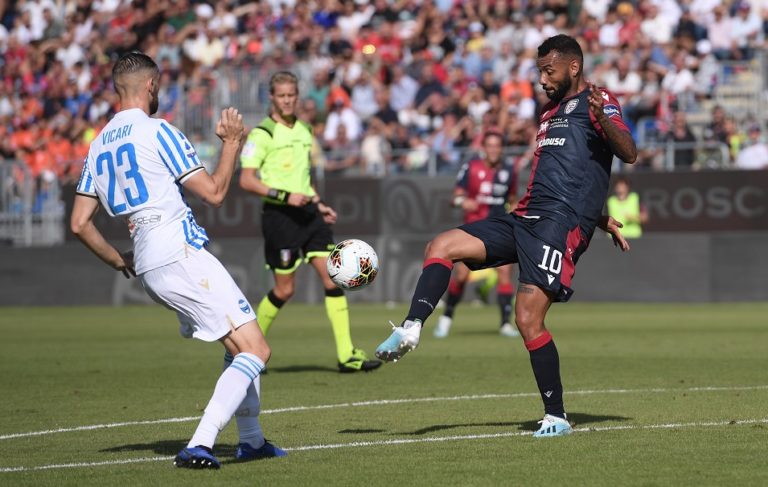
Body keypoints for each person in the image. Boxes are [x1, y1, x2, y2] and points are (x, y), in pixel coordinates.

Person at [374, 34, 636, 437]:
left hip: (558, 224)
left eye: (549, 71)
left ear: (573, 67)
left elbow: (629, 151)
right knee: (441, 246)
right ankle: (412, 327)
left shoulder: (598, 101)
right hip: (523, 216)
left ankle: (556, 416)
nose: (543, 80)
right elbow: (570, 171)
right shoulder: (549, 112)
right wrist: (601, 217)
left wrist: (602, 122)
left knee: (528, 318)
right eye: (539, 72)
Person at [70, 52, 286, 469]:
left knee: (237, 344)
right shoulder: (158, 131)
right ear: (151, 86)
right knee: (256, 349)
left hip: (148, 259)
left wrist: (120, 261)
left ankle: (252, 441)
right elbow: (216, 192)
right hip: (178, 249)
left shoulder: (97, 145)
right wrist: (232, 144)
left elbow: (80, 224)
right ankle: (199, 444)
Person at [239, 71, 381, 373]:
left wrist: (319, 204)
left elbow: (304, 180)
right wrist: (283, 196)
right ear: (272, 98)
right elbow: (247, 181)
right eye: (282, 95)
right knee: (285, 290)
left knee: (333, 277)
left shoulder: (304, 130)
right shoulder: (261, 135)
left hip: (310, 215)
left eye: (292, 94)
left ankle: (347, 356)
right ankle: (251, 349)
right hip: (280, 218)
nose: (288, 100)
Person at [433, 130, 519, 339]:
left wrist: (515, 211)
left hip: (500, 230)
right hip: (473, 231)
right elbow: (455, 198)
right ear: (484, 148)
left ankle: (505, 324)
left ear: (501, 149)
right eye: (489, 145)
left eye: (497, 146)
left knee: (505, 274)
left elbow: (514, 198)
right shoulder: (471, 167)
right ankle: (446, 318)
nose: (493, 150)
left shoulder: (509, 170)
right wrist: (464, 202)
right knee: (461, 276)